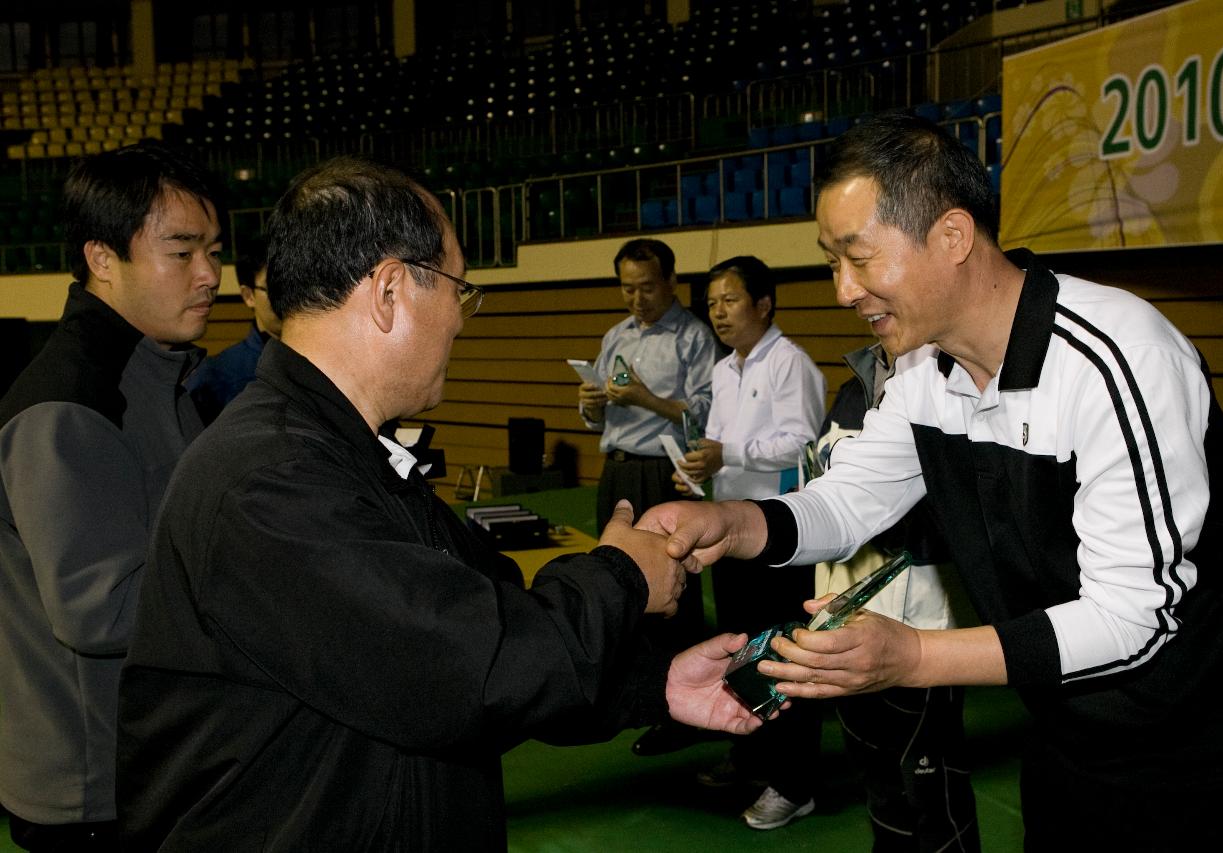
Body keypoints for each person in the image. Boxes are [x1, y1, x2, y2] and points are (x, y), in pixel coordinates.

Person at [638, 112, 1223, 850]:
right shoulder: (922, 370)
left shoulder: (1116, 360)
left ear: (951, 236)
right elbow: (849, 499)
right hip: (1068, 736)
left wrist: (912, 656)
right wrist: (739, 524)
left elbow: (1132, 618)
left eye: (859, 258)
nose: (843, 289)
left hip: (1208, 755)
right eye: (830, 262)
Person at [115, 156, 763, 852]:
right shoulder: (267, 478)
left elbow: (494, 617)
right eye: (458, 288)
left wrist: (653, 683)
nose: (461, 316)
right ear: (390, 290)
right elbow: (473, 666)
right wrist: (622, 573)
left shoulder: (341, 451)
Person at [0, 141, 224, 852]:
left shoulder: (161, 373)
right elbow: (99, 609)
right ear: (102, 258)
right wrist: (262, 579)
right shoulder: (68, 404)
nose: (211, 274)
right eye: (182, 252)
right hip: (95, 793)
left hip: (157, 765)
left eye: (215, 251)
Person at [674, 255, 826, 829]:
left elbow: (803, 446)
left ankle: (795, 783)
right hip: (728, 527)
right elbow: (719, 441)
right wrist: (695, 470)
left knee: (784, 653)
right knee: (737, 646)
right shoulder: (724, 369)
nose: (718, 312)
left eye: (730, 299)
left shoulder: (792, 365)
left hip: (778, 534)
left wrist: (727, 455)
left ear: (764, 304)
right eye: (712, 302)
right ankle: (751, 753)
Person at [814, 341, 980, 852]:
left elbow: (963, 503)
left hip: (922, 624)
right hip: (842, 613)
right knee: (876, 777)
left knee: (929, 786)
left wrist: (882, 507)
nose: (852, 289)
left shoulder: (959, 382)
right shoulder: (852, 386)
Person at [578, 237, 719, 755]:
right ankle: (641, 696)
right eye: (627, 288)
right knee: (622, 588)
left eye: (646, 288)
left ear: (671, 283)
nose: (636, 299)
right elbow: (599, 416)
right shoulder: (616, 334)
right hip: (615, 473)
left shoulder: (694, 338)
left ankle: (687, 711)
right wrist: (591, 404)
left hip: (663, 474)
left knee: (673, 595)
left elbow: (703, 414)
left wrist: (644, 397)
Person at [187, 235, 282, 421]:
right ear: (249, 296)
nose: (288, 297)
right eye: (275, 288)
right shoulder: (217, 377)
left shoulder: (327, 361)